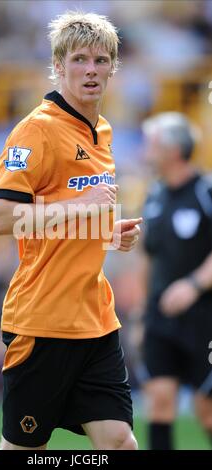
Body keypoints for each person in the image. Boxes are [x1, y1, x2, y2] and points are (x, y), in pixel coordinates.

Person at [0, 11, 141, 451]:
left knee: (120, 444)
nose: (91, 70)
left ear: (113, 67)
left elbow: (74, 213)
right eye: (79, 60)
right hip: (43, 322)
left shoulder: (102, 130)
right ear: (58, 65)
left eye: (101, 60)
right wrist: (81, 207)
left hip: (95, 319)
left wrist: (108, 231)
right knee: (24, 450)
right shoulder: (38, 130)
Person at [141, 112, 212, 450]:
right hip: (160, 317)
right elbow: (149, 258)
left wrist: (194, 285)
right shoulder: (154, 196)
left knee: (207, 409)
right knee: (158, 401)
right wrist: (143, 312)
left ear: (173, 150)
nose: (146, 151)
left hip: (205, 318)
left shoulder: (206, 191)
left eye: (151, 144)